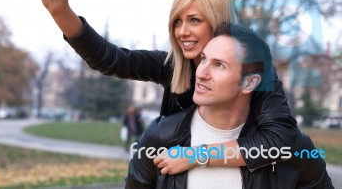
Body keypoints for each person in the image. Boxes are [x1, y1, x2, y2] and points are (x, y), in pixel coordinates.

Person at [38, 0, 297, 172]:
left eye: (194, 20)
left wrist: (198, 155)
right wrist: (60, 10)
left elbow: (281, 139)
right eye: (177, 21)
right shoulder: (171, 66)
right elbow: (111, 59)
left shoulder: (254, 70)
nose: (182, 31)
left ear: (218, 23)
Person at [126, 22, 334, 188]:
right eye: (204, 59)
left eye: (219, 65)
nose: (201, 73)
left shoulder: (294, 149)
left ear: (249, 83)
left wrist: (198, 155)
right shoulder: (160, 137)